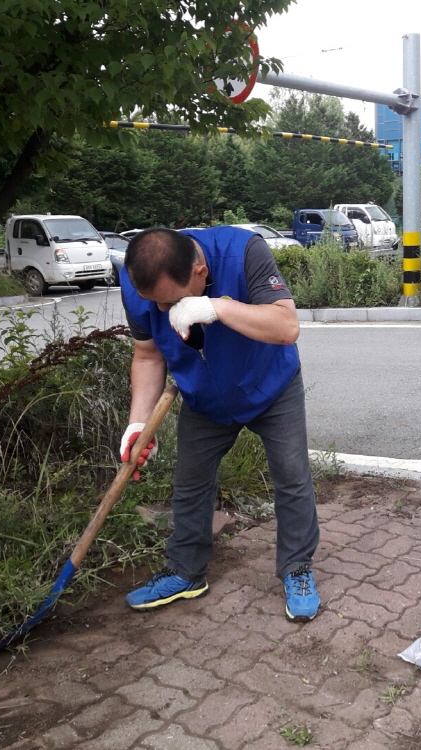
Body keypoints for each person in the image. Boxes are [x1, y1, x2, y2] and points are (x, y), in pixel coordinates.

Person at [118, 226, 321, 622]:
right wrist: (138, 424)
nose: (162, 312)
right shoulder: (135, 283)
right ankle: (186, 572)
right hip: (204, 398)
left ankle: (297, 568)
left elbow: (286, 327)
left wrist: (215, 307)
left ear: (200, 269)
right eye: (152, 302)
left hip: (270, 387)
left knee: (292, 478)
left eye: (171, 302)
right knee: (190, 485)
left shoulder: (243, 251)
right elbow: (147, 356)